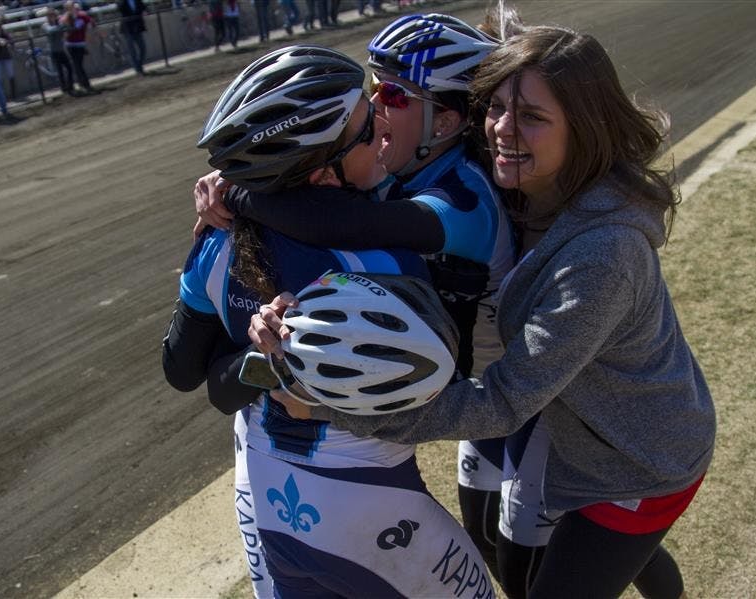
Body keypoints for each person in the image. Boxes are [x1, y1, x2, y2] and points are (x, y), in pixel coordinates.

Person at [250, 24, 716, 599]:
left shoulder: (603, 256)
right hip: (580, 421)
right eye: (495, 107)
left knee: (585, 563)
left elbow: (501, 402)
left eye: (532, 117)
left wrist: (340, 412)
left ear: (585, 128)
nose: (501, 129)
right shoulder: (524, 184)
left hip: (641, 461)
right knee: (536, 548)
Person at [193, 12, 523, 588]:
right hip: (460, 396)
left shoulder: (464, 194)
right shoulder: (408, 164)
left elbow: (337, 223)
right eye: (373, 82)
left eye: (393, 92)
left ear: (445, 118)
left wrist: (239, 188)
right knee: (490, 545)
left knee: (537, 565)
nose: (374, 101)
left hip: (509, 400)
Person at [61, 0, 95, 93]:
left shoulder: (82, 15)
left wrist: (89, 34)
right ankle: (84, 84)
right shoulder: (65, 18)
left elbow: (90, 22)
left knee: (78, 64)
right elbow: (63, 31)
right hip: (70, 44)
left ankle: (84, 84)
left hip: (80, 43)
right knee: (77, 65)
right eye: (69, 7)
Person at [41, 6, 74, 95]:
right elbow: (51, 30)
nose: (53, 17)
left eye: (54, 15)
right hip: (54, 51)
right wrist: (62, 25)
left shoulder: (58, 24)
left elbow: (70, 29)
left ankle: (70, 86)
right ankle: (64, 88)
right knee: (60, 71)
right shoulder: (45, 25)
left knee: (70, 68)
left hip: (61, 50)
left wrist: (66, 24)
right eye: (50, 15)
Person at [116, 0, 146, 75]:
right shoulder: (122, 2)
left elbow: (144, 8)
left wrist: (145, 11)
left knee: (143, 48)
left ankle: (139, 64)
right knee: (132, 51)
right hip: (127, 29)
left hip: (138, 27)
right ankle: (138, 69)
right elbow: (119, 8)